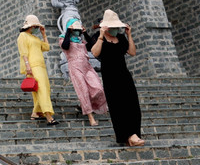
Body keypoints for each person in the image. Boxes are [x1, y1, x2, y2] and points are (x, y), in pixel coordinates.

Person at [91, 9, 144, 147]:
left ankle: (134, 134)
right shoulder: (98, 36)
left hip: (124, 75)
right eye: (113, 27)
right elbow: (95, 52)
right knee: (118, 107)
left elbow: (132, 52)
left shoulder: (120, 38)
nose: (115, 29)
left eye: (117, 27)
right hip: (110, 77)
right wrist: (101, 35)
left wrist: (129, 35)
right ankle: (127, 136)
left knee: (133, 105)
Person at [59, 18, 107, 126]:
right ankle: (90, 117)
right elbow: (65, 46)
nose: (77, 31)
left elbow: (91, 45)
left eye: (78, 29)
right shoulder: (63, 39)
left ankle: (83, 106)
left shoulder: (81, 39)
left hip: (87, 66)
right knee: (83, 91)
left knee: (98, 88)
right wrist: (68, 31)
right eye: (75, 29)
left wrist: (85, 33)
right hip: (75, 67)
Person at [17, 14, 57, 125]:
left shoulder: (35, 38)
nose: (36, 29)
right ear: (30, 26)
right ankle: (49, 116)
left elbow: (46, 47)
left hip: (41, 66)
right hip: (32, 66)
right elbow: (23, 52)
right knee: (42, 89)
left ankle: (36, 112)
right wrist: (27, 66)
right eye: (35, 26)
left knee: (45, 89)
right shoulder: (22, 36)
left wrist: (44, 34)